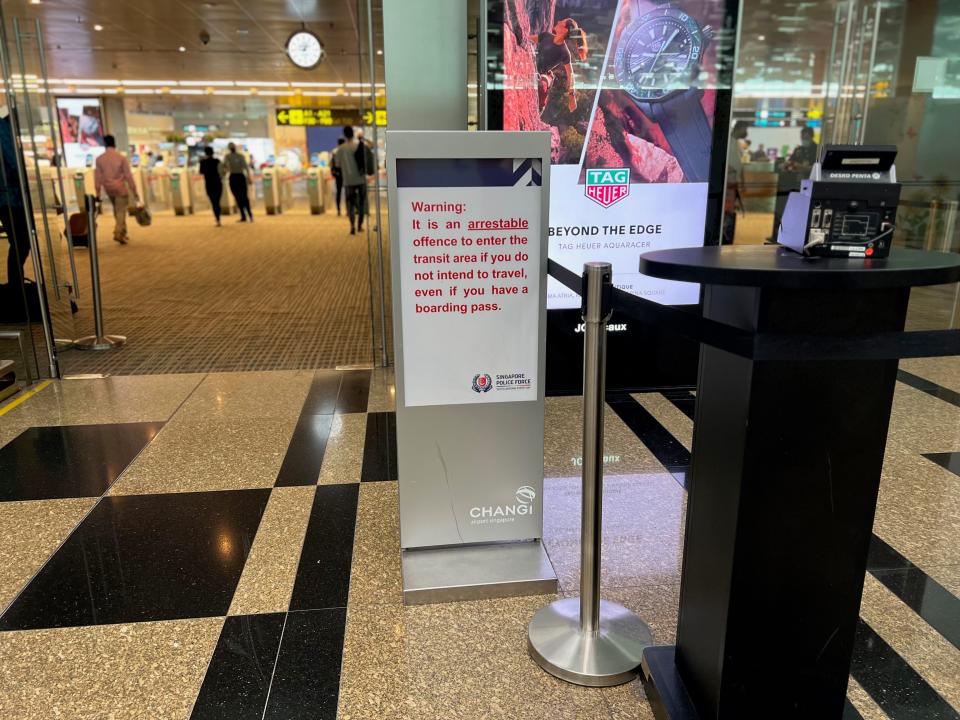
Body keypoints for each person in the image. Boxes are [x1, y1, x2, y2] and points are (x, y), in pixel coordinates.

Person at [0, 109, 30, 289]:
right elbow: (12, 163)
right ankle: (15, 285)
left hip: (7, 196)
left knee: (19, 242)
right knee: (21, 241)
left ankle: (16, 283)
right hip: (10, 197)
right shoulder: (4, 131)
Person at [533, 18, 589, 113]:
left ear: (565, 30)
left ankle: (540, 106)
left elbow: (570, 75)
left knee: (542, 84)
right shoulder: (546, 36)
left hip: (544, 75)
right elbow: (527, 39)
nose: (558, 22)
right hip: (534, 67)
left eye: (561, 23)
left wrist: (572, 97)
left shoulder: (564, 52)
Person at [94, 134, 139, 245]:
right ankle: (118, 233)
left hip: (108, 189)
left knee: (117, 210)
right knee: (121, 211)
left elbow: (98, 177)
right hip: (120, 188)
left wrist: (98, 192)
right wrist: (134, 190)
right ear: (114, 143)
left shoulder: (100, 159)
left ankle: (123, 232)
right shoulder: (121, 157)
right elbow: (128, 176)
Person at [333, 126, 373, 235]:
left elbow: (337, 165)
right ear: (353, 134)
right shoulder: (358, 146)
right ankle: (360, 225)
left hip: (348, 181)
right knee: (361, 203)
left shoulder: (340, 149)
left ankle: (352, 226)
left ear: (345, 135)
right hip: (360, 179)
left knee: (350, 203)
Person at [222, 142, 253, 223]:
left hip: (234, 177)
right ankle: (249, 215)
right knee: (244, 197)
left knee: (238, 197)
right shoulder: (240, 156)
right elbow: (246, 167)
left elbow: (224, 167)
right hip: (241, 177)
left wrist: (224, 173)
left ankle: (244, 215)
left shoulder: (227, 157)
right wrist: (249, 177)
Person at [198, 147, 223, 227]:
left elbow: (201, 172)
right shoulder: (217, 161)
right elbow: (222, 171)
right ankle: (218, 216)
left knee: (213, 201)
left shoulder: (203, 162)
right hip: (218, 182)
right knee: (217, 201)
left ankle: (217, 218)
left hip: (209, 183)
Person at [330, 137, 345, 216]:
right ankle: (349, 210)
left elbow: (332, 163)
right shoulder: (346, 150)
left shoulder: (334, 151)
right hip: (346, 174)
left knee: (338, 193)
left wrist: (333, 172)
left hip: (338, 174)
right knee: (348, 192)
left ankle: (338, 210)